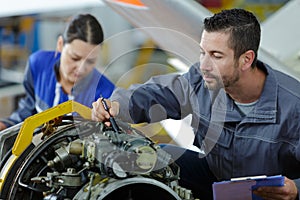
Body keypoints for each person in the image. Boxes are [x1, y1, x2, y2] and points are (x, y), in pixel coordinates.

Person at [91, 8, 300, 200]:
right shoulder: (200, 80)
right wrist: (118, 105)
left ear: (246, 59)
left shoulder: (293, 107)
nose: (204, 65)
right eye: (202, 53)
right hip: (217, 179)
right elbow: (157, 93)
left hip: (267, 195)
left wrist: (296, 189)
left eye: (216, 56)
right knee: (153, 160)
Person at [0, 13, 115, 131]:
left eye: (90, 61)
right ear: (60, 44)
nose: (81, 68)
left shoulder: (106, 94)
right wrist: (6, 125)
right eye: (74, 58)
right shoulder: (38, 65)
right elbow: (28, 111)